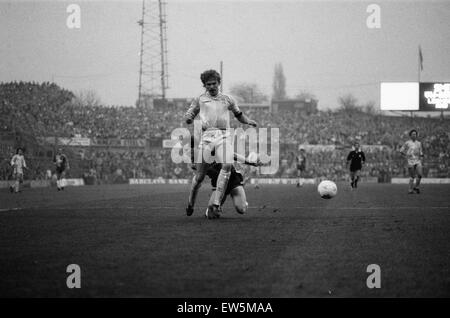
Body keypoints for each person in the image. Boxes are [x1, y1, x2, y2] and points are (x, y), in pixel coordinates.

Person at [185, 69, 257, 217]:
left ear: (219, 83)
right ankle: (191, 203)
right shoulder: (199, 99)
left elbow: (239, 115)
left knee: (227, 164)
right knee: (199, 178)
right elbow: (191, 112)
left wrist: (248, 121)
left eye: (214, 83)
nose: (211, 86)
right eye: (208, 84)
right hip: (206, 138)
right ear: (204, 85)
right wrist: (189, 118)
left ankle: (217, 203)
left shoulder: (227, 99)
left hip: (223, 136)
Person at [399, 129, 424, 194]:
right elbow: (401, 151)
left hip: (417, 161)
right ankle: (410, 190)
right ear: (410, 135)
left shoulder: (419, 143)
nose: (414, 135)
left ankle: (416, 187)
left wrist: (421, 158)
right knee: (412, 176)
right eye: (413, 134)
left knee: (420, 175)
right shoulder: (407, 143)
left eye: (415, 134)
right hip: (410, 161)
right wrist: (406, 157)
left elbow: (421, 152)